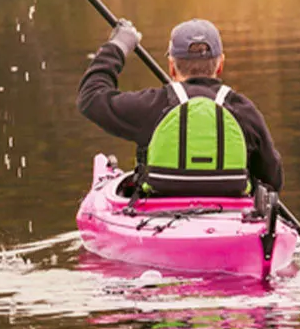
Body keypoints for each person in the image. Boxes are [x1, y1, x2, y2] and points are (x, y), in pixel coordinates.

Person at [77, 18, 283, 198]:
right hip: (232, 221)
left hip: (158, 218)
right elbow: (272, 179)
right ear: (220, 65)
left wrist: (117, 46)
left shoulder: (153, 107)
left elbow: (91, 97)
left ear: (171, 67)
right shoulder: (243, 111)